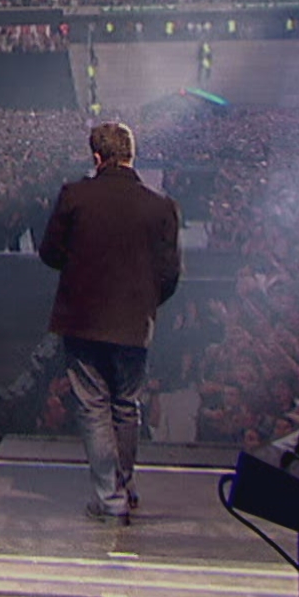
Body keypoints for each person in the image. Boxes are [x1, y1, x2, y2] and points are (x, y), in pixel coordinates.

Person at [38, 122, 182, 524]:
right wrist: (145, 304)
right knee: (126, 406)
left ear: (96, 158)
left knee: (94, 406)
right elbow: (170, 275)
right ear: (132, 155)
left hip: (83, 321)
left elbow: (49, 254)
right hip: (134, 324)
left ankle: (110, 498)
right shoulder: (162, 207)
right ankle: (125, 484)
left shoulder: (75, 197)